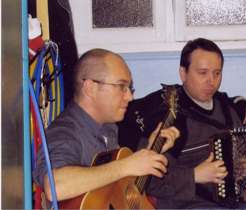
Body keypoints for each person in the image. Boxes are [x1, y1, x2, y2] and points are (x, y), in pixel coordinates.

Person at [118, 38, 246, 209]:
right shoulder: (166, 114)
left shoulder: (227, 109)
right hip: (190, 204)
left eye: (217, 73)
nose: (211, 81)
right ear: (183, 73)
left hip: (236, 202)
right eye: (202, 73)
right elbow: (148, 181)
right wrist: (195, 175)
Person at [33, 48, 180, 204]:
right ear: (91, 88)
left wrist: (150, 151)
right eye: (122, 86)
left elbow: (113, 188)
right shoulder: (64, 132)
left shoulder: (108, 127)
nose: (130, 97)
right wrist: (126, 166)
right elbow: (55, 187)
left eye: (130, 88)